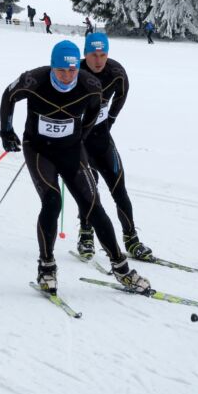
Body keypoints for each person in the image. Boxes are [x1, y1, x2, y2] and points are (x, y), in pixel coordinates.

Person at [0, 40, 151, 296]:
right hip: (39, 150)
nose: (67, 76)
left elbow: (92, 116)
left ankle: (121, 268)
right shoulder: (34, 80)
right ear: (52, 67)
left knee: (93, 205)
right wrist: (6, 130)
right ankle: (46, 267)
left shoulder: (90, 86)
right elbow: (8, 95)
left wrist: (78, 137)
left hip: (71, 150)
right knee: (52, 202)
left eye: (71, 70)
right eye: (61, 71)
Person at [76, 32, 153, 262]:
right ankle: (86, 233)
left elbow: (122, 94)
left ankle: (131, 238)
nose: (98, 60)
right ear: (85, 54)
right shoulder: (73, 73)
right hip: (78, 143)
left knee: (120, 189)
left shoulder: (116, 72)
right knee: (89, 191)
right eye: (93, 55)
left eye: (103, 55)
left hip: (101, 138)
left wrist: (109, 120)